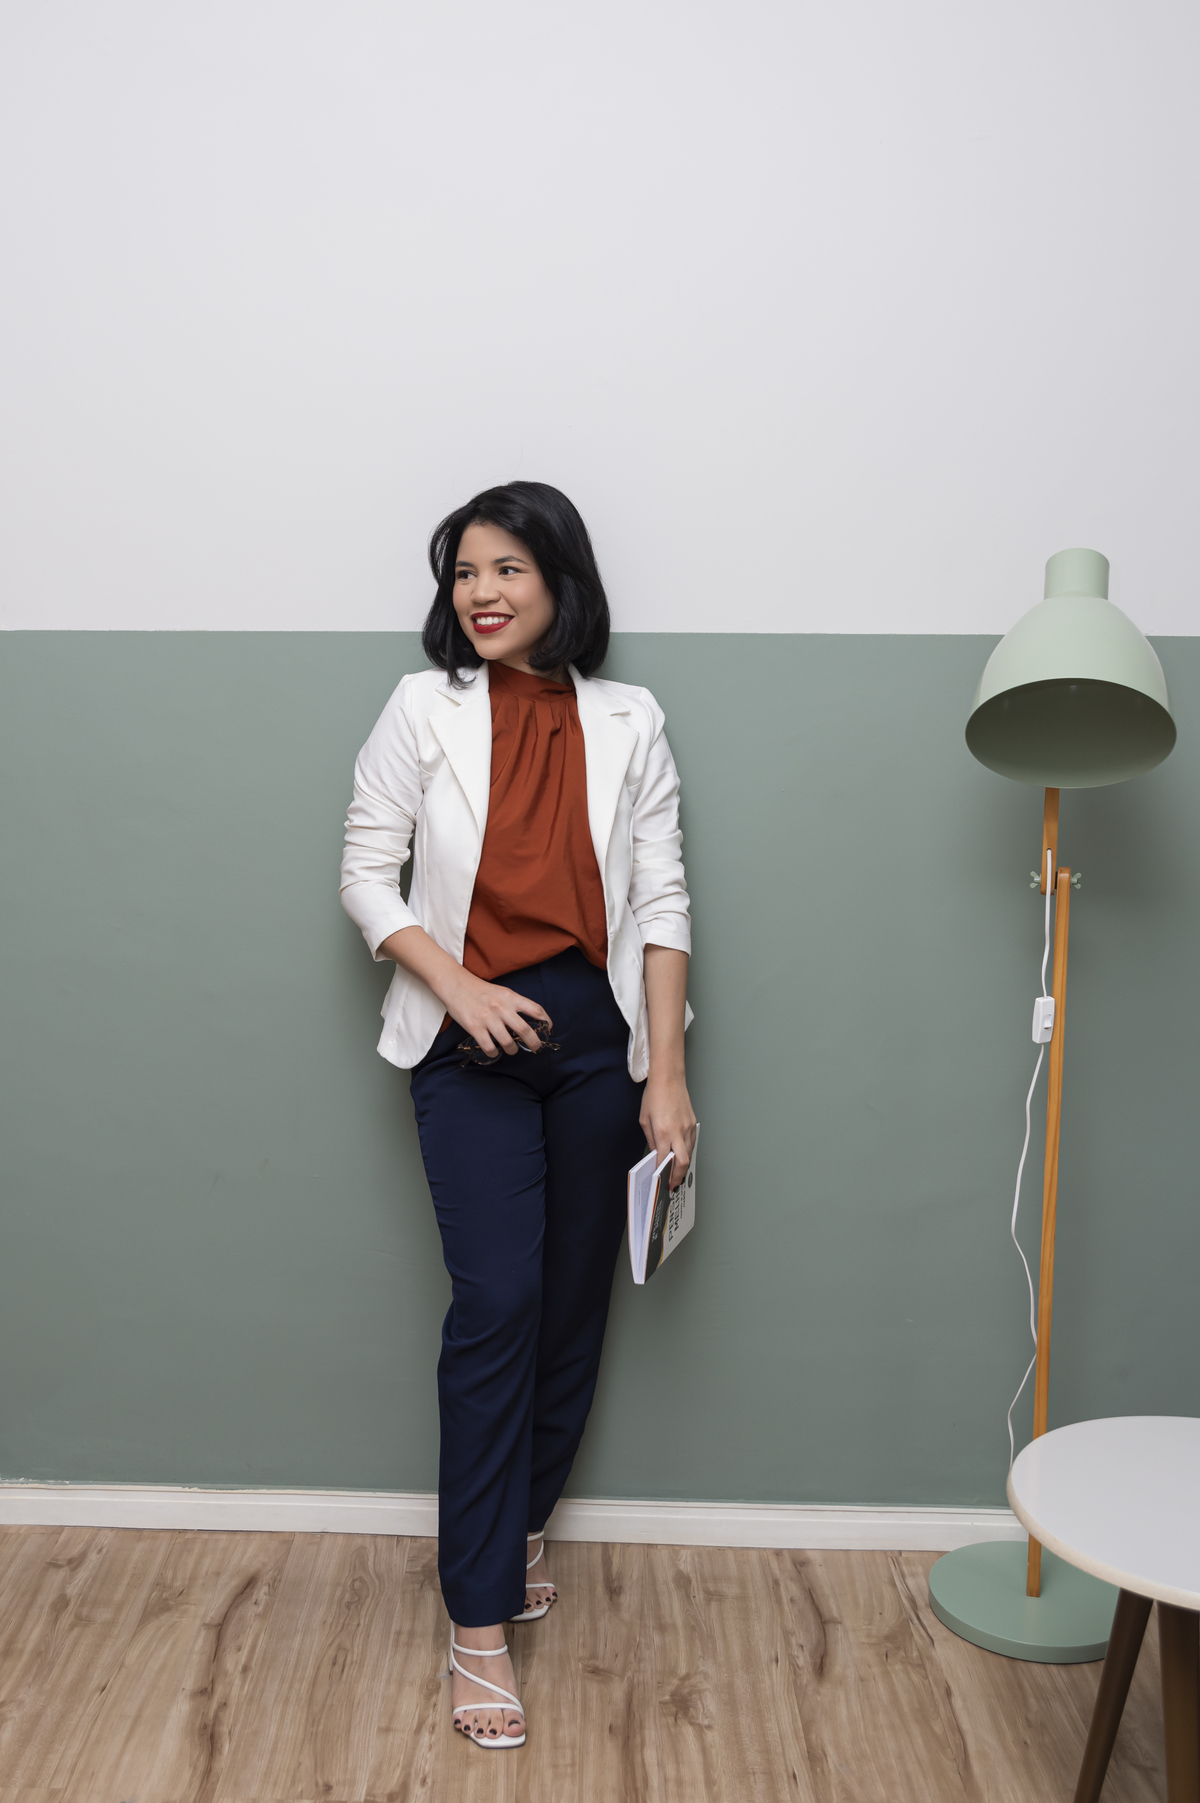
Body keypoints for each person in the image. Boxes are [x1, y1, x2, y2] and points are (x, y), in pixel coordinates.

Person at [340, 481, 696, 1749]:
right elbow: (363, 873)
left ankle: (523, 1520)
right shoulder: (420, 707)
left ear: (558, 581)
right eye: (464, 572)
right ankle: (478, 1620)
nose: (481, 593)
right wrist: (459, 988)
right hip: (469, 1038)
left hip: (599, 1044)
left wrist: (667, 1075)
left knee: (572, 1307)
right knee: (497, 1305)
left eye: (507, 569)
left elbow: (664, 902)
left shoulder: (630, 718)